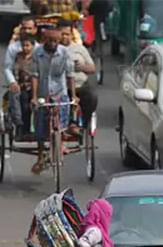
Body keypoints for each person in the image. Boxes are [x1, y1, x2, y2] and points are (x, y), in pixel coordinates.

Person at [30, 27, 75, 174]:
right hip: (44, 94)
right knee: (41, 126)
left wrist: (73, 95)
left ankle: (59, 144)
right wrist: (35, 97)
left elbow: (70, 75)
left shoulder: (64, 53)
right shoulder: (37, 52)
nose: (53, 43)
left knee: (61, 124)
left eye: (56, 41)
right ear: (45, 40)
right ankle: (40, 157)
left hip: (60, 93)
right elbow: (35, 75)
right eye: (50, 40)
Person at [58, 20, 97, 137]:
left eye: (67, 34)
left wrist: (81, 67)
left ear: (71, 35)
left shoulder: (79, 49)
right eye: (62, 34)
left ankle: (81, 126)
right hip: (61, 86)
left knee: (91, 98)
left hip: (80, 85)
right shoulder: (54, 48)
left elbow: (92, 68)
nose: (64, 37)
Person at [5, 17, 38, 106]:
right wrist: (13, 82)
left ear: (35, 30)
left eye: (29, 28)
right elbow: (8, 68)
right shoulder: (13, 48)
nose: (26, 31)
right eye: (24, 28)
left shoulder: (39, 49)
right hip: (19, 86)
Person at [8, 33, 36, 138]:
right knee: (20, 99)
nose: (25, 48)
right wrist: (15, 82)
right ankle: (20, 126)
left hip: (34, 87)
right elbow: (14, 71)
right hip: (22, 87)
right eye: (23, 45)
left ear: (33, 46)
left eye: (28, 45)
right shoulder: (18, 57)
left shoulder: (37, 58)